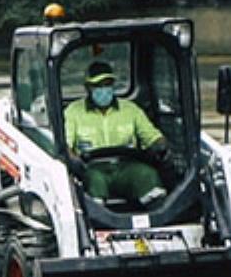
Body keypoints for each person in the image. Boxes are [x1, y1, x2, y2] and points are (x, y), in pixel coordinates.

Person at [63, 60, 168, 208]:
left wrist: (160, 146)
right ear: (88, 88)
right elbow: (65, 145)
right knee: (95, 182)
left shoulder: (131, 110)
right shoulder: (73, 112)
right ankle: (98, 225)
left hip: (127, 166)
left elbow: (153, 136)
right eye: (98, 86)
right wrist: (73, 161)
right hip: (93, 168)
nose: (104, 90)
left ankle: (156, 223)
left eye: (107, 85)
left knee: (147, 175)